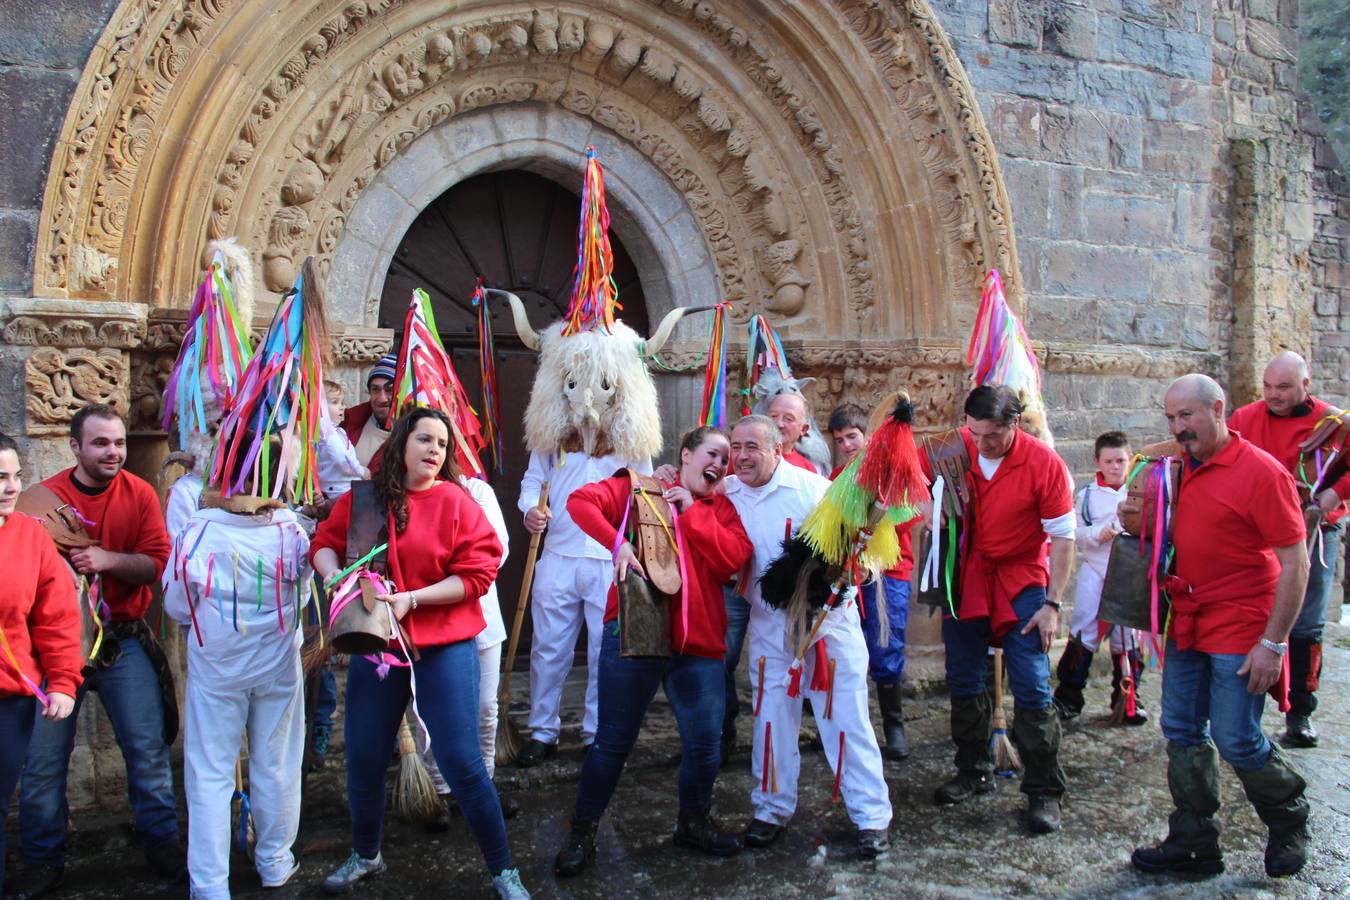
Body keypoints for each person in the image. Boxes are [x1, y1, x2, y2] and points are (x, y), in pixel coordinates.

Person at [310, 407, 527, 899]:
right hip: (377, 646)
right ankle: (367, 855)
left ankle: (504, 871)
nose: (434, 450)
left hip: (444, 642)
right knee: (364, 758)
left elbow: (477, 575)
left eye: (442, 445)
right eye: (425, 439)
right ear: (401, 444)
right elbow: (323, 544)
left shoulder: (456, 502)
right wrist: (334, 578)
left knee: (462, 762)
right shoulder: (364, 500)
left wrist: (414, 599)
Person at [1132, 374, 1312, 880]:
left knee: (1235, 738)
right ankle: (1193, 842)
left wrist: (1272, 644)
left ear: (1217, 409)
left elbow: (1294, 565)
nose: (1177, 427)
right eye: (1170, 417)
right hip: (1188, 615)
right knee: (1182, 729)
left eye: (1186, 416)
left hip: (1242, 622)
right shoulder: (1172, 467)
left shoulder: (1261, 472)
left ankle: (1289, 815)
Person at [553, 426, 754, 875]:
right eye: (713, 453)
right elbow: (580, 503)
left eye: (725, 459)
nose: (721, 464)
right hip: (635, 633)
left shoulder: (722, 510)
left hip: (698, 645)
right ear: (685, 455)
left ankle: (693, 822)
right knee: (611, 745)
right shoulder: (641, 487)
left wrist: (691, 512)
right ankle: (582, 832)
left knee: (705, 745)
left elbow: (732, 560)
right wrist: (618, 543)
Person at [12, 405, 180, 899]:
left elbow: (156, 565)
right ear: (75, 447)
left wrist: (107, 559)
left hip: (122, 641)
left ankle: (162, 843)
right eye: (102, 443)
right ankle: (43, 859)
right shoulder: (40, 501)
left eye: (120, 443)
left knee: (147, 751)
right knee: (44, 762)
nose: (114, 452)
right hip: (54, 653)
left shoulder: (140, 493)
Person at [726, 415, 892, 858]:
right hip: (768, 626)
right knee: (769, 717)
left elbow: (859, 551)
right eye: (735, 447)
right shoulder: (728, 493)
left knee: (844, 719)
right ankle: (771, 808)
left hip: (827, 625)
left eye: (752, 448)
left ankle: (871, 817)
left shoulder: (813, 490)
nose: (741, 456)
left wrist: (834, 586)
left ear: (778, 450)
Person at [161, 437, 312, 898]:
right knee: (278, 764)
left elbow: (176, 606)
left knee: (209, 772)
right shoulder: (291, 530)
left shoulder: (198, 530)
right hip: (274, 663)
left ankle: (210, 886)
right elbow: (302, 599)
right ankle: (274, 861)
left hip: (219, 666)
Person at [922, 385, 1074, 835]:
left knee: (1031, 683)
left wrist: (1052, 604)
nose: (981, 444)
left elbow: (1063, 540)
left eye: (991, 436)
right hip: (966, 575)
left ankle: (1044, 789)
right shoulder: (954, 449)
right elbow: (910, 485)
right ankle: (974, 769)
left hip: (1022, 580)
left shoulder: (1044, 464)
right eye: (975, 433)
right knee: (964, 677)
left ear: (1013, 425)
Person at [1227, 351, 1348, 748]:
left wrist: (1334, 493)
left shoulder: (1334, 423)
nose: (1273, 395)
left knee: (1306, 624)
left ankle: (1300, 714)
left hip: (1314, 531)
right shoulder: (1245, 418)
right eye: (1268, 387)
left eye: (1283, 387)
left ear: (1305, 385)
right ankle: (1244, 713)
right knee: (1255, 619)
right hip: (1256, 534)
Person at [515, 436, 652, 767]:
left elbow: (644, 490)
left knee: (601, 650)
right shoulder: (553, 431)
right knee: (548, 647)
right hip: (559, 553)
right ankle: (542, 732)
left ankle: (596, 734)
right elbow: (534, 478)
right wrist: (530, 508)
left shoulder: (633, 435)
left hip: (609, 557)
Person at [0, 433, 82, 900]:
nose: (12, 488)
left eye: (15, 476)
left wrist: (64, 683)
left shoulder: (30, 535)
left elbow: (56, 619)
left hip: (9, 700)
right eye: (0, 477)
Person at [411, 473, 515, 824]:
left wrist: (445, 569)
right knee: (427, 712)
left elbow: (495, 550)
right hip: (421, 617)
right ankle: (438, 790)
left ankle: (484, 788)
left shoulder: (475, 490)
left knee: (486, 707)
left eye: (441, 441)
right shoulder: (399, 493)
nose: (433, 450)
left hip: (480, 611)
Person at [827, 402, 915, 760]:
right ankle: (849, 723)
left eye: (852, 436)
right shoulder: (835, 478)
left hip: (887, 571)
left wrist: (877, 522)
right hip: (849, 572)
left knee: (885, 644)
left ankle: (894, 724)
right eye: (840, 439)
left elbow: (907, 519)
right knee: (848, 650)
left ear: (867, 436)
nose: (847, 444)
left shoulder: (891, 473)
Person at [1052, 430, 1148, 724]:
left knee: (1128, 636)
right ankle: (1069, 696)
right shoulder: (1087, 496)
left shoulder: (1142, 491)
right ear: (1098, 462)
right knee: (1083, 631)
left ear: (1129, 461)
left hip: (1129, 573)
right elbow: (1075, 535)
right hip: (1096, 569)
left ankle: (1127, 697)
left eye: (1121, 460)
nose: (1116, 467)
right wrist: (1098, 533)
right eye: (1109, 461)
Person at [309, 380, 370, 768]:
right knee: (320, 644)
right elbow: (349, 467)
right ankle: (316, 738)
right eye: (333, 403)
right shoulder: (326, 437)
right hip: (336, 523)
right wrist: (365, 471)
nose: (340, 409)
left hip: (351, 523)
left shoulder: (340, 435)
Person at [343, 353, 398, 468]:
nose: (382, 398)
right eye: (375, 389)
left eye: (390, 390)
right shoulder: (350, 422)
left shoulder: (415, 431)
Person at [767, 393, 819, 473]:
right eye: (774, 416)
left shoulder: (807, 469)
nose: (778, 424)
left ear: (803, 429)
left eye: (788, 419)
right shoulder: (749, 458)